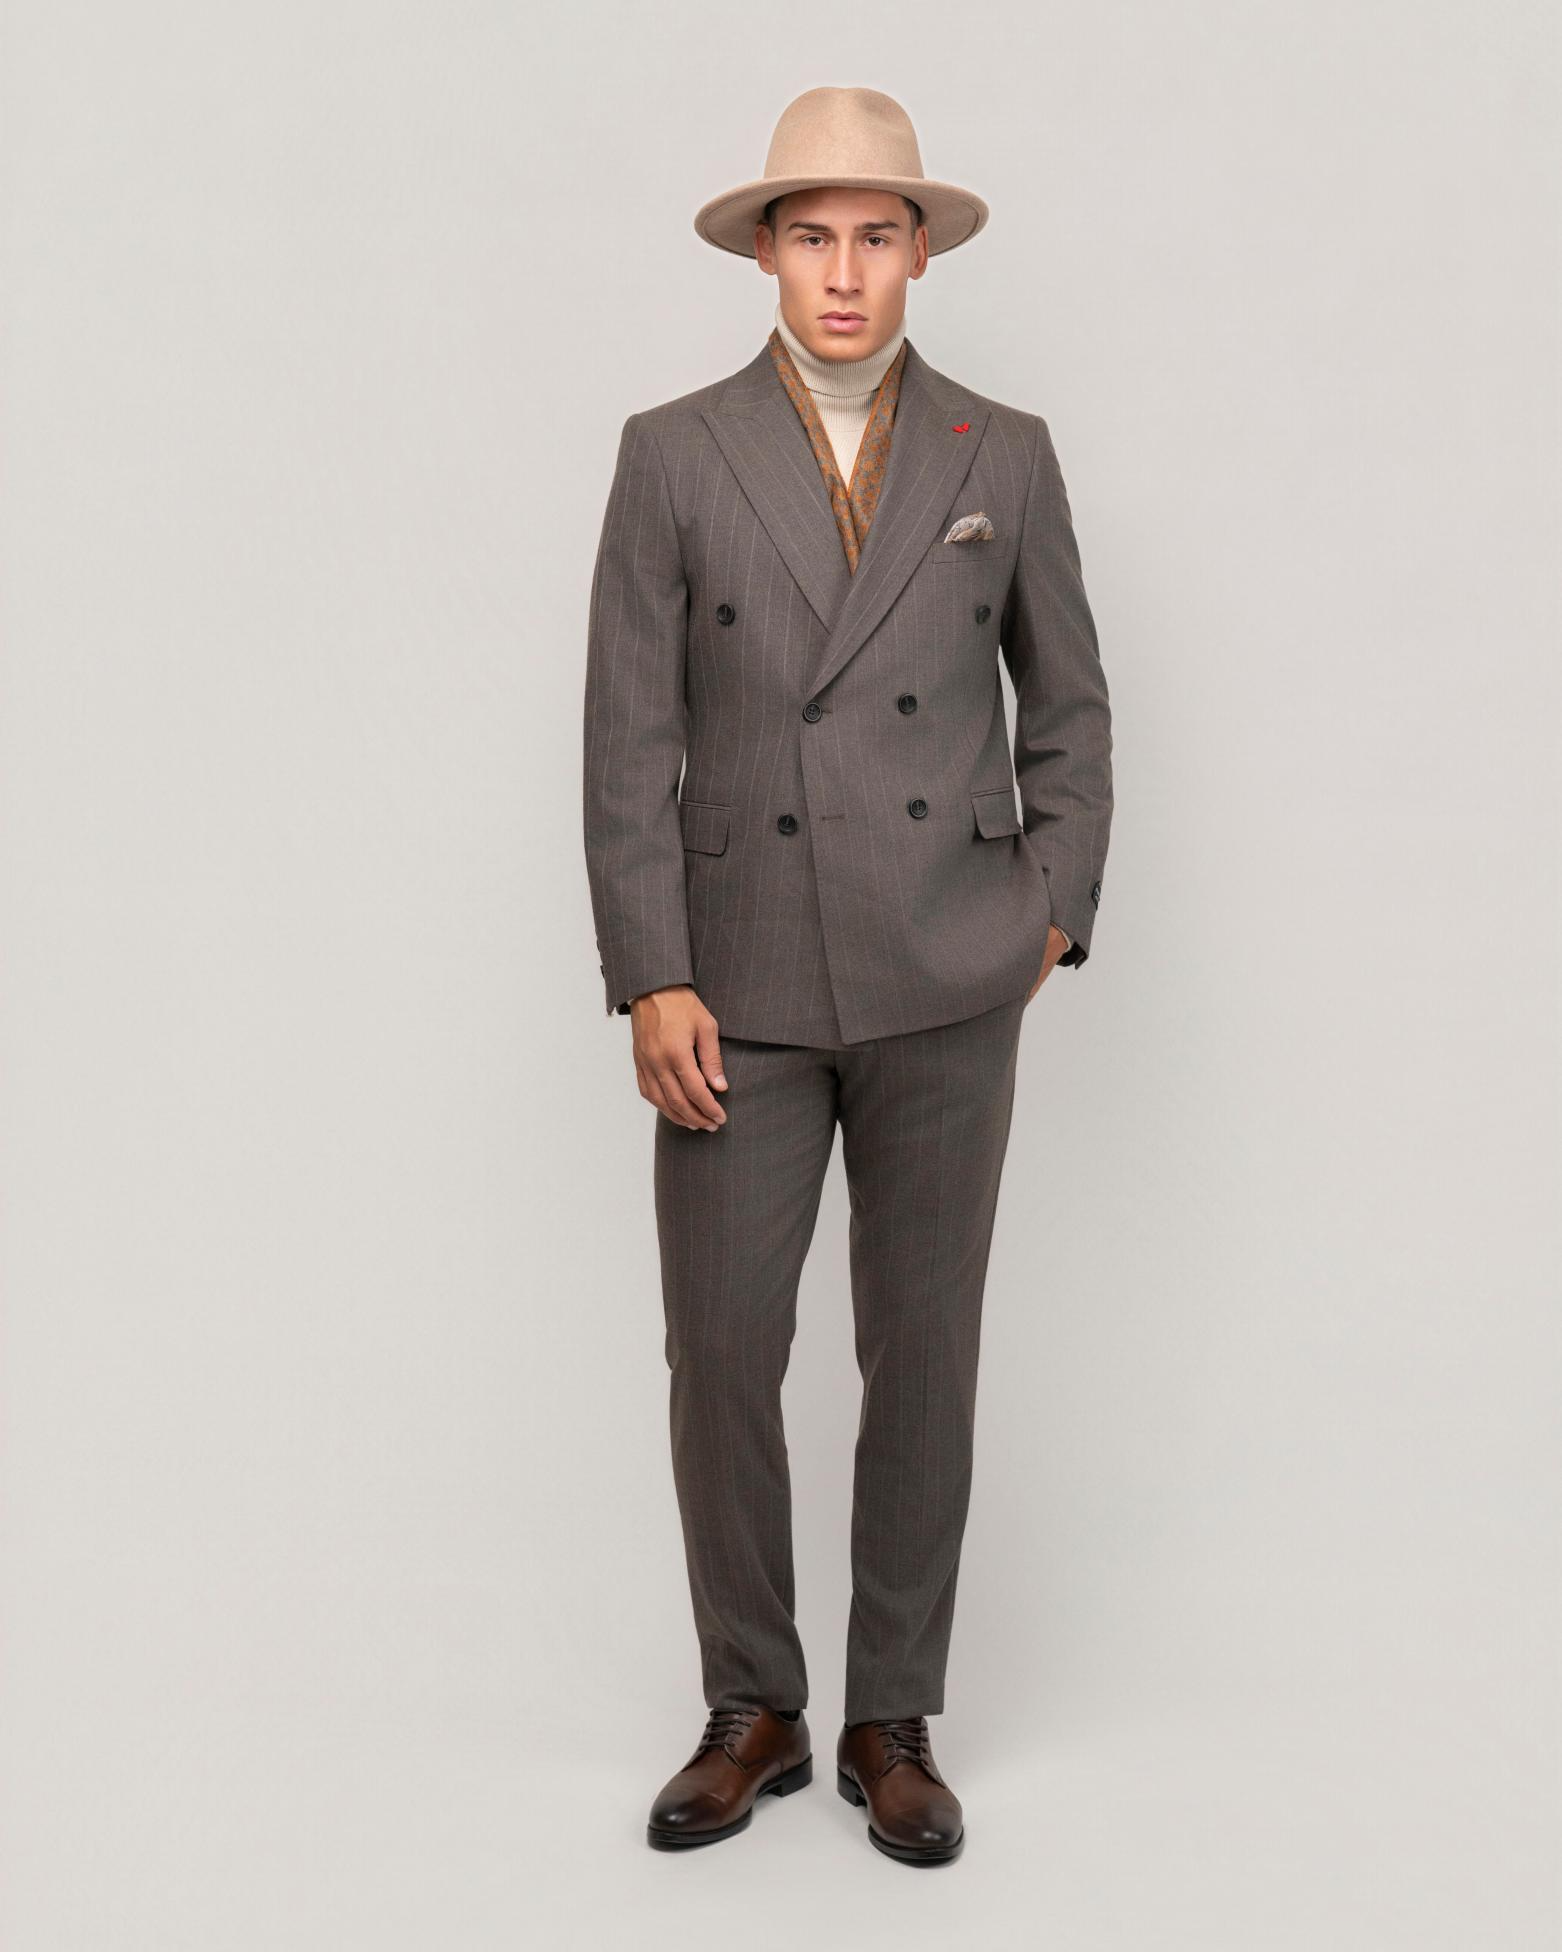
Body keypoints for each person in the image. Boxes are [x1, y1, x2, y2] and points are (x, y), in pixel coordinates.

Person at [582, 85, 1113, 1866]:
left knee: (924, 1353)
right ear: (765, 251)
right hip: (735, 978)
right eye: (810, 234)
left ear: (917, 255)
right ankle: (754, 1702)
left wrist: (1048, 910)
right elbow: (626, 739)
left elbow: (1071, 706)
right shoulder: (672, 450)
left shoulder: (999, 450)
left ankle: (893, 1712)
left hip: (947, 971)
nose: (841, 270)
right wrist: (650, 971)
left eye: (874, 236)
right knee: (722, 1352)